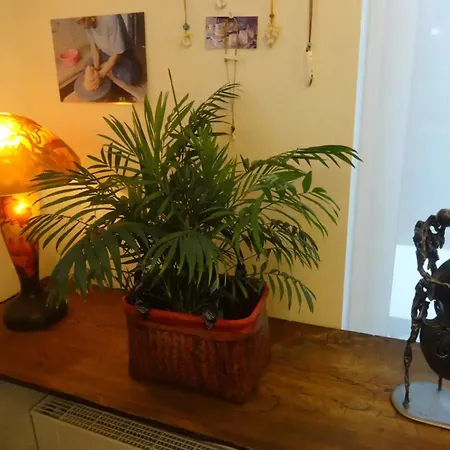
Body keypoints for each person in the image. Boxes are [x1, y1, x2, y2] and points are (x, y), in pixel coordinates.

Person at [77, 15, 142, 90]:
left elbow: (117, 54)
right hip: (106, 52)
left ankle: (110, 66)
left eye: (83, 20)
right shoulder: (86, 24)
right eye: (79, 22)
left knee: (133, 77)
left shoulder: (110, 18)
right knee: (86, 68)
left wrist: (101, 74)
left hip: (123, 54)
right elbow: (94, 48)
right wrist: (96, 69)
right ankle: (108, 66)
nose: (83, 26)